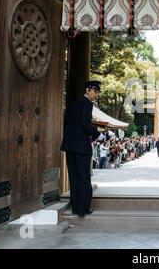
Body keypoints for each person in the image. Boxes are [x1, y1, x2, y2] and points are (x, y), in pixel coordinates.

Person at [61, 80, 104, 217]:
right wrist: (98, 134)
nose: (96, 94)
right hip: (81, 147)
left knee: (73, 178)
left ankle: (75, 207)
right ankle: (83, 208)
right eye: (95, 91)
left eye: (97, 92)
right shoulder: (87, 104)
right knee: (84, 178)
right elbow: (85, 124)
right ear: (87, 90)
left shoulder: (75, 103)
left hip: (70, 146)